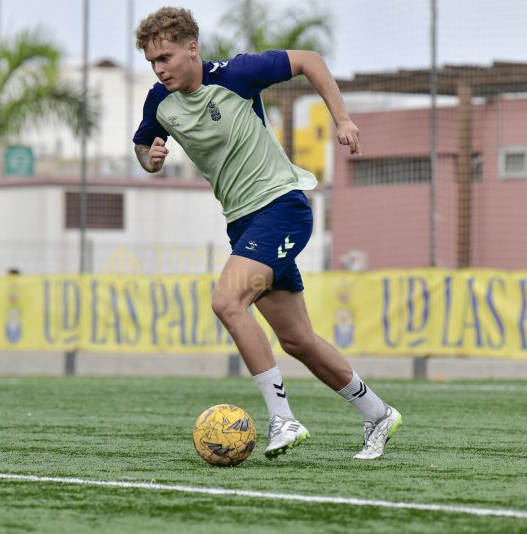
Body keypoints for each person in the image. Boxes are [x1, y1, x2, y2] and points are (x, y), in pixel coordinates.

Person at [132, 7, 402, 460]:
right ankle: (378, 414)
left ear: (192, 48)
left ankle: (283, 419)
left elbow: (310, 59)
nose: (159, 69)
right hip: (243, 224)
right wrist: (150, 159)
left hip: (282, 206)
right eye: (151, 62)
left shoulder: (236, 74)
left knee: (226, 301)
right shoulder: (159, 102)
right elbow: (143, 144)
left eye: (165, 57)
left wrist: (343, 120)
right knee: (297, 340)